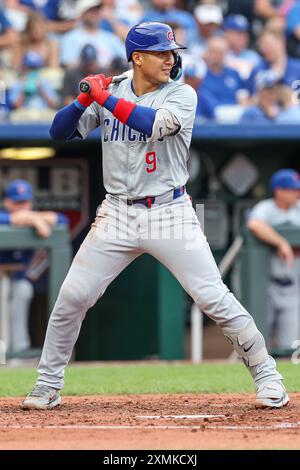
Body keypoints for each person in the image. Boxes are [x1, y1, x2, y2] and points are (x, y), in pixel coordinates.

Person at [22, 21, 289, 410]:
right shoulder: (111, 91)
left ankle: (267, 374)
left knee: (213, 296)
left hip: (169, 210)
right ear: (137, 58)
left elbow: (150, 124)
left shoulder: (182, 95)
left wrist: (104, 98)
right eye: (161, 52)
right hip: (116, 212)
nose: (170, 58)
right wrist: (84, 99)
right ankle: (47, 383)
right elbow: (58, 132)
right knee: (72, 297)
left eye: (171, 51)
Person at [0, 179, 68, 358]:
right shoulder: (4, 216)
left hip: (16, 279)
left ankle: (20, 353)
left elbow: (62, 220)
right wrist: (33, 220)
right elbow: (9, 218)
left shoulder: (32, 218)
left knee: (23, 290)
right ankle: (3, 354)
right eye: (17, 202)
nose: (22, 206)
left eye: (25, 202)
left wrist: (33, 218)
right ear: (6, 201)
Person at [247, 169, 300, 352]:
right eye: (292, 189)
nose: (297, 193)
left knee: (289, 346)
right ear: (279, 190)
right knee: (258, 344)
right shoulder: (266, 208)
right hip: (266, 287)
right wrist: (281, 242)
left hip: (293, 287)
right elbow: (254, 224)